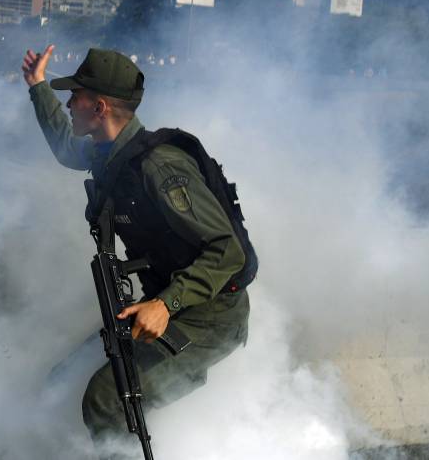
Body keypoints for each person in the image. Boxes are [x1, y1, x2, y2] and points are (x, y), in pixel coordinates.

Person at [22, 45, 255, 456]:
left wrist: (165, 305)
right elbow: (64, 147)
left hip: (209, 318)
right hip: (167, 307)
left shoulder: (159, 167)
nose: (69, 103)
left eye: (75, 96)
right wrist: (38, 87)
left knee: (106, 400)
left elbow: (227, 251)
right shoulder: (112, 157)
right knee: (63, 381)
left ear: (100, 107)